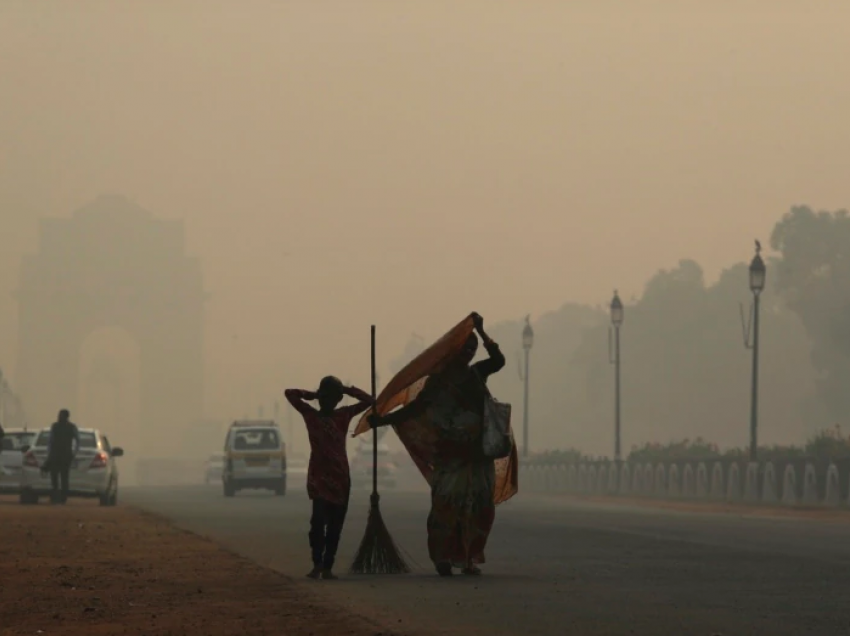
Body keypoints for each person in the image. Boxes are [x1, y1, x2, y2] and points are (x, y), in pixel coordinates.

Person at [370, 312, 505, 577]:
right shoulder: (438, 381)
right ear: (454, 350)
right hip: (450, 452)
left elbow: (498, 361)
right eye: (465, 347)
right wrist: (382, 420)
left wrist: (482, 331)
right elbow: (414, 409)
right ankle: (442, 557)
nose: (468, 352)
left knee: (479, 505)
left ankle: (468, 559)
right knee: (446, 505)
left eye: (472, 348)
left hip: (477, 452)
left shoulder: (477, 373)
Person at [284, 377, 373, 580]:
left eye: (332, 398)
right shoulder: (310, 415)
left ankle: (327, 566)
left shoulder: (343, 415)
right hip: (319, 477)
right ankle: (317, 563)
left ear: (338, 399)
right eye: (324, 398)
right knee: (317, 522)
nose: (327, 402)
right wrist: (313, 395)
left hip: (340, 477)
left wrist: (348, 390)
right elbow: (290, 393)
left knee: (335, 526)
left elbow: (370, 401)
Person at [45, 409, 80, 504]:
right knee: (55, 477)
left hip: (64, 456)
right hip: (58, 455)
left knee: (63, 477)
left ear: (66, 416)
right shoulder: (57, 426)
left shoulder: (67, 427)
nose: (59, 417)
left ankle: (62, 497)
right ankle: (56, 497)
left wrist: (74, 453)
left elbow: (77, 441)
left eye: (61, 415)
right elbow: (50, 441)